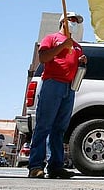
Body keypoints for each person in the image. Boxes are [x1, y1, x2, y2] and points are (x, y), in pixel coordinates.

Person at [28, 11, 87, 179]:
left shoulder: (76, 46)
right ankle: (35, 165)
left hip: (69, 88)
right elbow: (44, 57)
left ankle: (55, 166)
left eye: (76, 21)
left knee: (59, 129)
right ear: (63, 22)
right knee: (44, 125)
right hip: (52, 84)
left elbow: (74, 65)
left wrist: (81, 61)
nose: (74, 23)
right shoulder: (51, 38)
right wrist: (62, 46)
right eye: (72, 20)